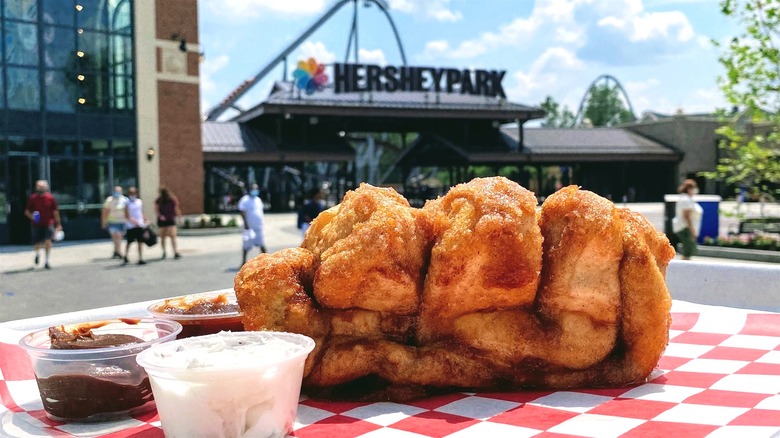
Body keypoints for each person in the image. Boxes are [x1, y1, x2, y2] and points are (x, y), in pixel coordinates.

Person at [24, 180, 62, 269]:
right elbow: (26, 211)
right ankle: (37, 254)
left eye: (42, 186)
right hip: (37, 223)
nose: (40, 188)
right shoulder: (33, 198)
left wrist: (58, 224)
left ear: (46, 187)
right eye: (38, 186)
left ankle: (47, 261)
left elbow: (55, 211)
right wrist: (32, 217)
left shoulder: (50, 198)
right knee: (37, 242)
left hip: (48, 223)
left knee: (48, 241)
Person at [672, 179, 703, 260]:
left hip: (685, 227)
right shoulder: (686, 200)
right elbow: (687, 216)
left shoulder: (686, 199)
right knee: (688, 248)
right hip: (685, 227)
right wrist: (692, 230)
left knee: (689, 248)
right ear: (689, 189)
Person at [238, 183, 267, 265]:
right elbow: (242, 211)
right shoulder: (245, 199)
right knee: (246, 245)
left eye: (256, 189)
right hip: (249, 227)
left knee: (261, 244)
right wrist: (246, 223)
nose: (255, 190)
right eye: (253, 189)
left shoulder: (258, 199)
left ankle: (266, 261)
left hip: (258, 226)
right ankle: (243, 262)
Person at [101, 185, 129, 259]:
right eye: (116, 191)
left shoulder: (124, 200)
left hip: (122, 221)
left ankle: (117, 251)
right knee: (115, 237)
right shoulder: (109, 200)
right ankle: (118, 251)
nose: (117, 192)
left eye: (118, 191)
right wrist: (104, 221)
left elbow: (128, 211)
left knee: (119, 236)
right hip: (112, 221)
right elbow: (105, 211)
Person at [155, 186, 182, 260]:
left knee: (165, 237)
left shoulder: (170, 199)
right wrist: (179, 217)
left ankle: (167, 251)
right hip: (169, 219)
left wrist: (160, 216)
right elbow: (177, 209)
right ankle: (174, 251)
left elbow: (156, 210)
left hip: (166, 219)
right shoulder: (161, 200)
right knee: (172, 236)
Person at [123, 186, 148, 265]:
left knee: (140, 241)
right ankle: (126, 256)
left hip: (140, 224)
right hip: (131, 225)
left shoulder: (139, 202)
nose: (132, 195)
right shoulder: (127, 203)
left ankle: (140, 258)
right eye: (130, 193)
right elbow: (127, 215)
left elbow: (141, 212)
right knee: (129, 241)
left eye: (133, 193)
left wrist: (145, 219)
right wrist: (134, 221)